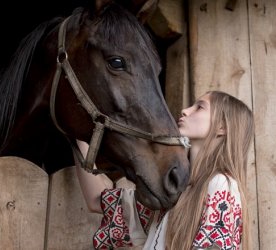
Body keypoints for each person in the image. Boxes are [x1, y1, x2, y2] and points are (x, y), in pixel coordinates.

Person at [75, 90, 254, 250]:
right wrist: (79, 134)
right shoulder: (174, 189)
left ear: (222, 127)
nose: (185, 110)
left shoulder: (221, 184)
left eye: (199, 107)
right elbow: (96, 200)